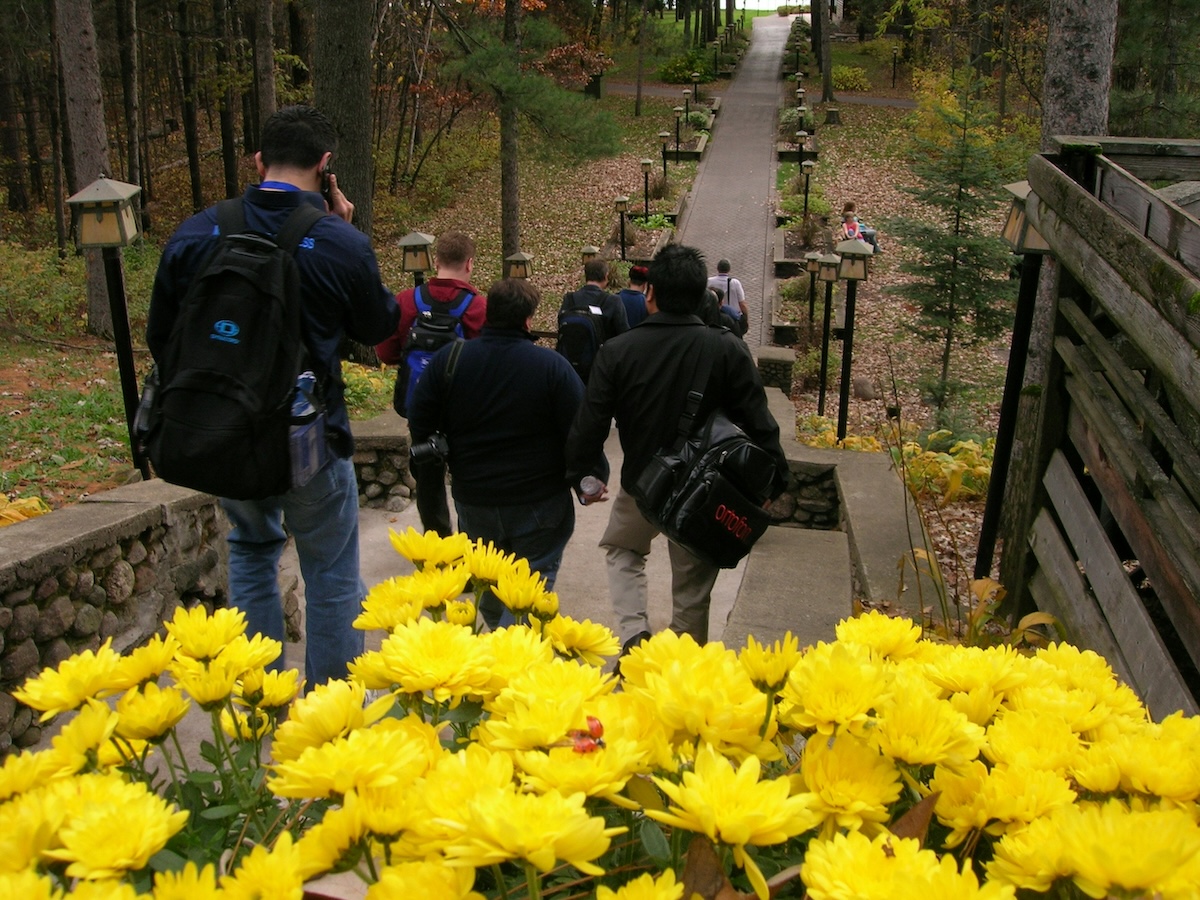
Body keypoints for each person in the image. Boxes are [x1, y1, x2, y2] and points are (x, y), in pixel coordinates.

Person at [146, 104, 400, 688]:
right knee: (332, 574)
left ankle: (262, 703)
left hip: (226, 435)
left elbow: (163, 335)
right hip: (306, 435)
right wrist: (347, 228)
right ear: (326, 165)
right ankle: (327, 719)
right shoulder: (339, 241)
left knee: (252, 551)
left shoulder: (197, 230)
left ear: (258, 161)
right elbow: (378, 324)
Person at [565, 244, 788, 655]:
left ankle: (634, 635)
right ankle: (684, 670)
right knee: (692, 590)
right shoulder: (726, 348)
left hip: (641, 483)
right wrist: (776, 478)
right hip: (705, 490)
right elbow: (759, 421)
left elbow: (590, 423)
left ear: (650, 292)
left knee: (622, 549)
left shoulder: (618, 351)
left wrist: (585, 476)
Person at [408, 278, 608, 629]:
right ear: (528, 319)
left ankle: (499, 645)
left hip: (475, 498)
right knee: (530, 588)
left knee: (487, 584)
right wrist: (590, 477)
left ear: (488, 313)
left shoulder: (450, 360)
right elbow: (582, 428)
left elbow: (419, 420)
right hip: (540, 500)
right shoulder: (551, 367)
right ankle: (513, 651)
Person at [375, 232, 486, 537]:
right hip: (463, 409)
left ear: (435, 261)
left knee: (427, 474)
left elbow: (385, 351)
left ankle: (437, 544)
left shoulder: (407, 301)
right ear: (470, 264)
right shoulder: (478, 307)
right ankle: (472, 544)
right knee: (466, 476)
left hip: (419, 406)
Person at [556, 258, 630, 382]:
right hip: (601, 368)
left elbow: (561, 324)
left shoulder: (569, 299)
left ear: (586, 276)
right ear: (606, 276)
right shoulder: (612, 301)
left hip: (569, 365)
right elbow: (624, 335)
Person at [706, 258, 750, 336]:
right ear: (729, 269)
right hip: (732, 317)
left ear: (718, 268)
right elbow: (742, 303)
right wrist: (746, 318)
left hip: (714, 316)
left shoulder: (709, 281)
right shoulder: (735, 283)